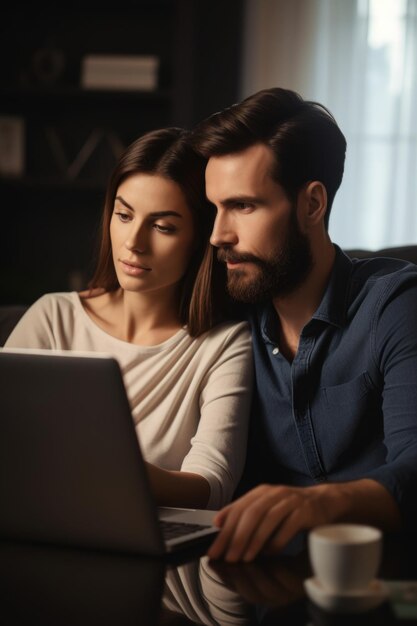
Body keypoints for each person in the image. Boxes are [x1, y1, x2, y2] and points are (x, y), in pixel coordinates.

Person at [189, 87, 417, 561]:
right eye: (215, 208)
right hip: (249, 587)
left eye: (244, 206)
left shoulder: (395, 305)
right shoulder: (227, 314)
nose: (218, 235)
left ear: (312, 204)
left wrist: (321, 503)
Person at [5, 127, 253, 510]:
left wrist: (112, 474)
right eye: (123, 215)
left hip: (147, 545)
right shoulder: (53, 318)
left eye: (162, 226)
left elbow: (211, 485)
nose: (134, 242)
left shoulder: (223, 345)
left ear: (200, 238)